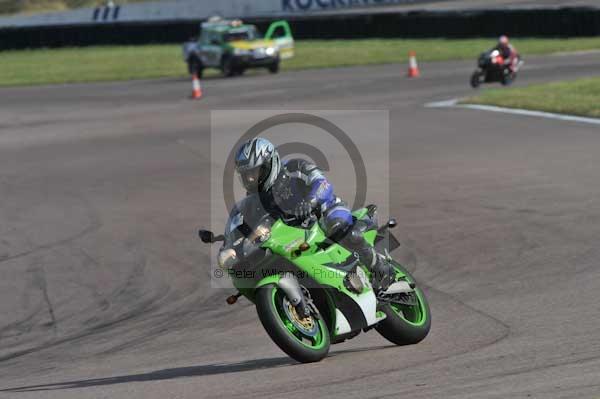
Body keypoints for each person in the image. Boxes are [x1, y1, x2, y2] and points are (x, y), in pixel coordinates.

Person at [234, 137, 395, 293]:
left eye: (255, 172)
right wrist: (236, 241)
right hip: (297, 232)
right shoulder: (255, 199)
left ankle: (381, 269)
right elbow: (250, 222)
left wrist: (311, 201)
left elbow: (322, 184)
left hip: (325, 212)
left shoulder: (294, 168)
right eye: (246, 175)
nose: (250, 178)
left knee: (342, 230)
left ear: (270, 163)